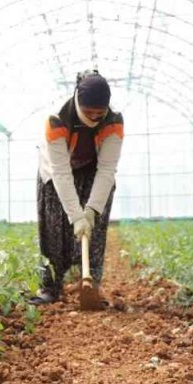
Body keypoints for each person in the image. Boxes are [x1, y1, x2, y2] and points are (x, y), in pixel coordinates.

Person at [29, 70, 123, 305]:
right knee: (54, 229)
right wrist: (76, 217)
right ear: (78, 102)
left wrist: (91, 211)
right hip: (56, 173)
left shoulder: (113, 122)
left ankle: (91, 286)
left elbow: (107, 170)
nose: (94, 118)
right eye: (89, 112)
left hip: (92, 170)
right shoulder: (57, 120)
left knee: (95, 229)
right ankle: (50, 288)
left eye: (100, 113)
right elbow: (61, 172)